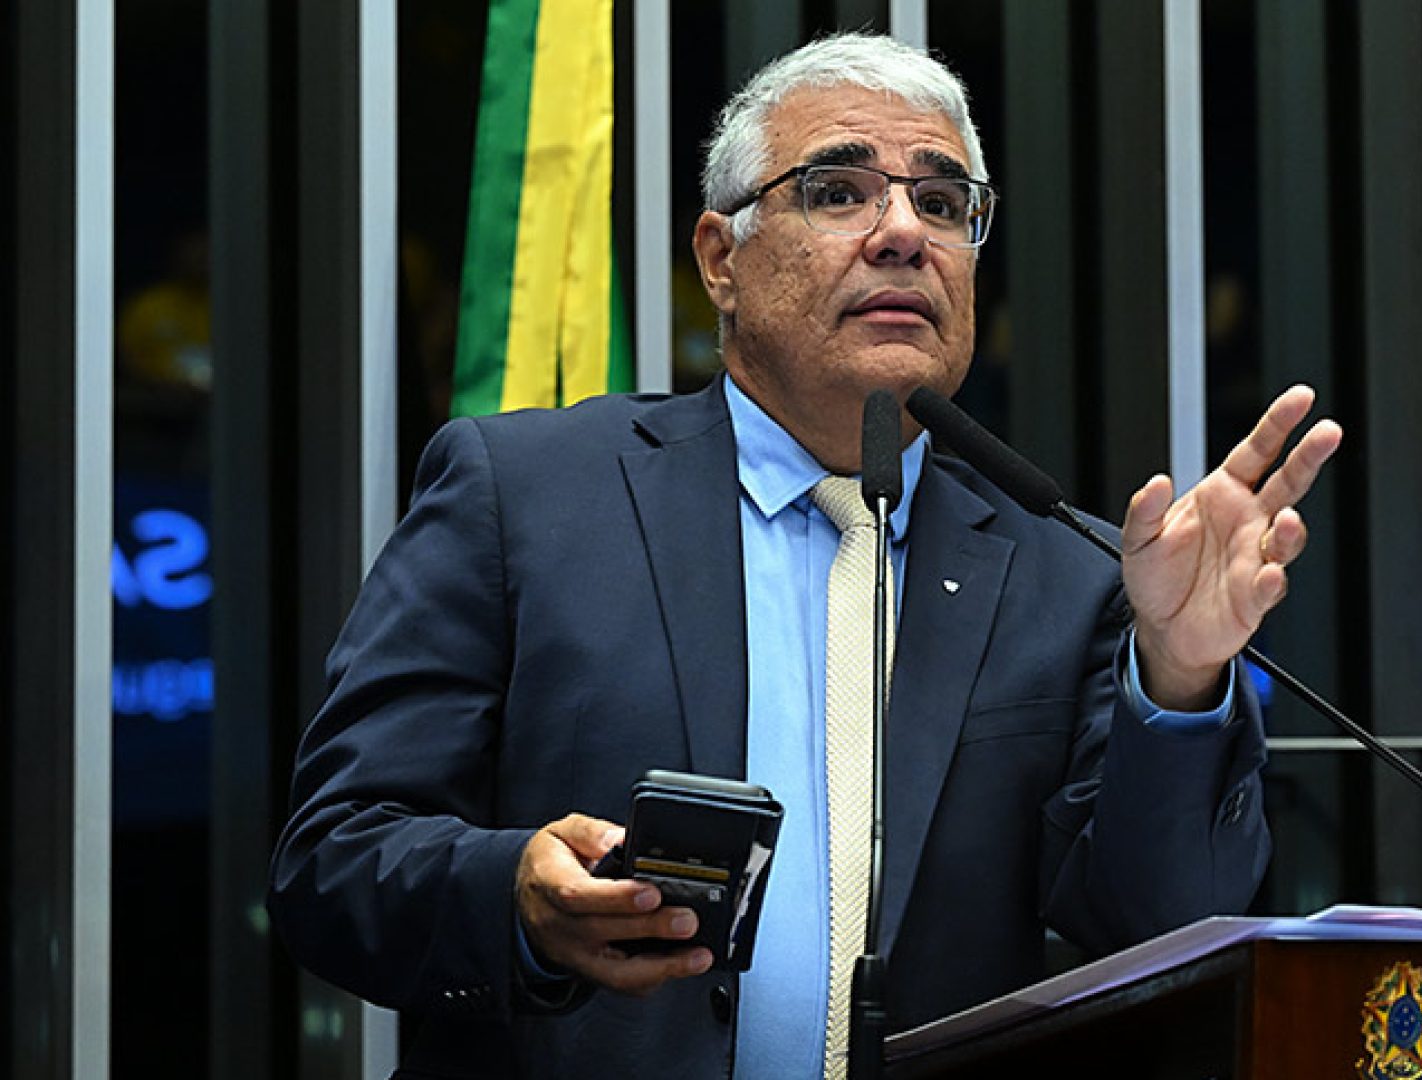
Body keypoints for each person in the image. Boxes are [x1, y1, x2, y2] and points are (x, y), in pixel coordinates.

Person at [268, 32, 1341, 1080]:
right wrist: (517, 897)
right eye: (837, 192)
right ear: (720, 260)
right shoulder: (527, 497)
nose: (903, 233)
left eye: (943, 203)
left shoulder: (1068, 573)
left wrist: (1181, 676)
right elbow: (334, 858)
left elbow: (1163, 929)